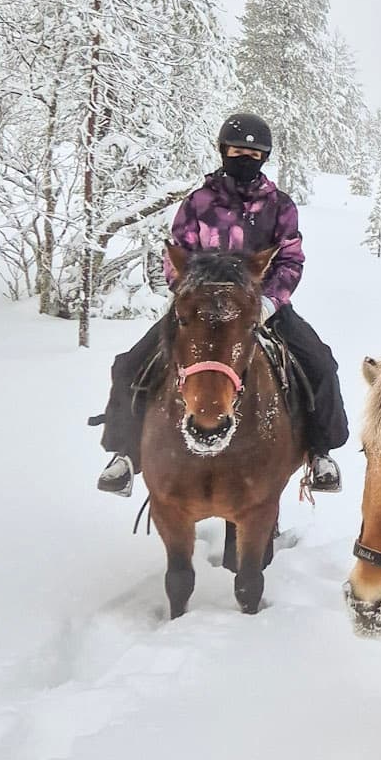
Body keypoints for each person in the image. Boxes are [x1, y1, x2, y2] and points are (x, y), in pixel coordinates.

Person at [94, 113, 348, 496]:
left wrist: (268, 303)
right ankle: (125, 454)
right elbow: (176, 255)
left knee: (321, 364)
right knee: (130, 365)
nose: (245, 158)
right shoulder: (198, 203)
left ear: (264, 158)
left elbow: (290, 260)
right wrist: (191, 296)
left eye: (254, 154)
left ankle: (320, 452)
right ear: (223, 151)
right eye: (237, 151)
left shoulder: (279, 206)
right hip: (199, 308)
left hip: (260, 308)